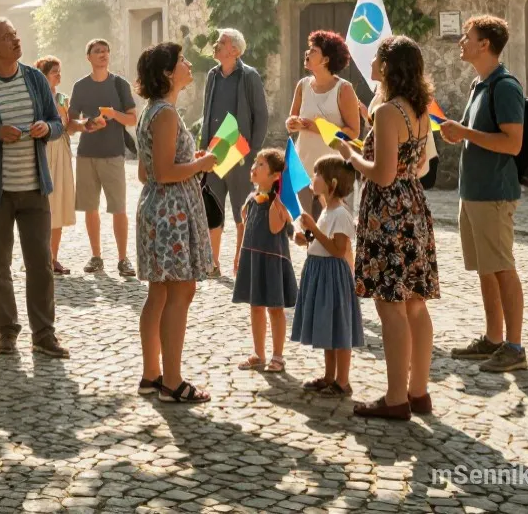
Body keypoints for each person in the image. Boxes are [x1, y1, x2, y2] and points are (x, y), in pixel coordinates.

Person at [338, 36, 439, 420]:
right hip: (413, 205)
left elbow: (381, 174)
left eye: (378, 59)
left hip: (388, 211)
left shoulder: (387, 112)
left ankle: (395, 398)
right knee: (415, 304)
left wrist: (350, 155)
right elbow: (412, 165)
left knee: (391, 307)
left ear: (390, 66)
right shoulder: (418, 108)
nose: (372, 64)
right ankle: (418, 392)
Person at [0, 18, 68, 358]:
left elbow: (57, 124)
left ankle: (44, 333)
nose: (17, 39)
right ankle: (7, 331)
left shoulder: (35, 79)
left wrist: (44, 129)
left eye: (16, 34)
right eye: (8, 37)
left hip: (35, 188)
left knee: (41, 265)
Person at [439, 15, 528, 373]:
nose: (462, 42)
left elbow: (513, 143)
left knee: (503, 268)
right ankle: (493, 339)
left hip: (493, 193)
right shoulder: (480, 84)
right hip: (473, 193)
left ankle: (515, 347)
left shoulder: (504, 86)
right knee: (485, 270)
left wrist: (465, 133)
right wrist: (462, 133)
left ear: (485, 44)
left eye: (468, 37)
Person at [134, 41, 215, 404]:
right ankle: (173, 381)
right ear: (168, 73)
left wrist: (189, 160)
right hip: (170, 212)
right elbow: (164, 172)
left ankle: (153, 375)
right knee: (180, 291)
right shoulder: (165, 113)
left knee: (160, 293)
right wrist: (198, 164)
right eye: (181, 61)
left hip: (157, 207)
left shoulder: (152, 111)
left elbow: (145, 172)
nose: (187, 64)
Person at [291, 155, 363, 398]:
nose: (313, 178)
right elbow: (323, 240)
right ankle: (329, 376)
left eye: (317, 174)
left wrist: (313, 229)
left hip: (333, 276)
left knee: (339, 329)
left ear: (331, 183)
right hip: (320, 272)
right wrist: (306, 240)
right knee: (328, 328)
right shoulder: (326, 210)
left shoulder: (340, 214)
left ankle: (342, 381)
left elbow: (338, 249)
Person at [200, 28, 269, 278]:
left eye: (222, 42)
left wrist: (253, 153)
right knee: (213, 208)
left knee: (243, 210)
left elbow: (261, 116)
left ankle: (242, 264)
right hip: (214, 153)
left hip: (240, 153)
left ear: (235, 50)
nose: (217, 44)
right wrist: (203, 147)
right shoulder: (212, 75)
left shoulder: (249, 76)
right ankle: (213, 263)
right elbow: (206, 113)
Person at [67, 39, 138, 277]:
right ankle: (96, 256)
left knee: (118, 208)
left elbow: (132, 119)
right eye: (97, 51)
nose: (103, 54)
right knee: (90, 208)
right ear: (88, 57)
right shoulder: (80, 86)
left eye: (106, 51)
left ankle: (123, 258)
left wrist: (113, 114)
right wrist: (86, 125)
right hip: (86, 154)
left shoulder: (120, 84)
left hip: (113, 154)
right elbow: (70, 123)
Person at [232, 149, 297, 373]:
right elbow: (244, 228)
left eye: (261, 165)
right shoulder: (251, 199)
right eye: (255, 163)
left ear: (275, 176)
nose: (254, 167)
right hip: (252, 258)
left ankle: (278, 356)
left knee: (274, 308)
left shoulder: (278, 204)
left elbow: (275, 227)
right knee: (255, 306)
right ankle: (259, 353)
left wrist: (277, 199)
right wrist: (238, 254)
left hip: (271, 261)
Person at [286, 30, 362, 216]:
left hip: (332, 169)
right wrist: (292, 123)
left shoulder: (343, 89)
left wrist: (314, 127)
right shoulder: (302, 85)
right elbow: (290, 121)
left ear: (326, 60)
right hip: (303, 165)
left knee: (329, 227)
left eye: (313, 51)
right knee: (307, 225)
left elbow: (353, 133)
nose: (307, 53)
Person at [36, 56, 75, 274]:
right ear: (44, 75)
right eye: (54, 72)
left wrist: (64, 115)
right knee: (42, 205)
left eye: (60, 72)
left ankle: (53, 258)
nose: (58, 75)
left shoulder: (62, 98)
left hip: (60, 150)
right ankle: (38, 257)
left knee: (58, 203)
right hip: (43, 149)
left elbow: (68, 127)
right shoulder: (36, 98)